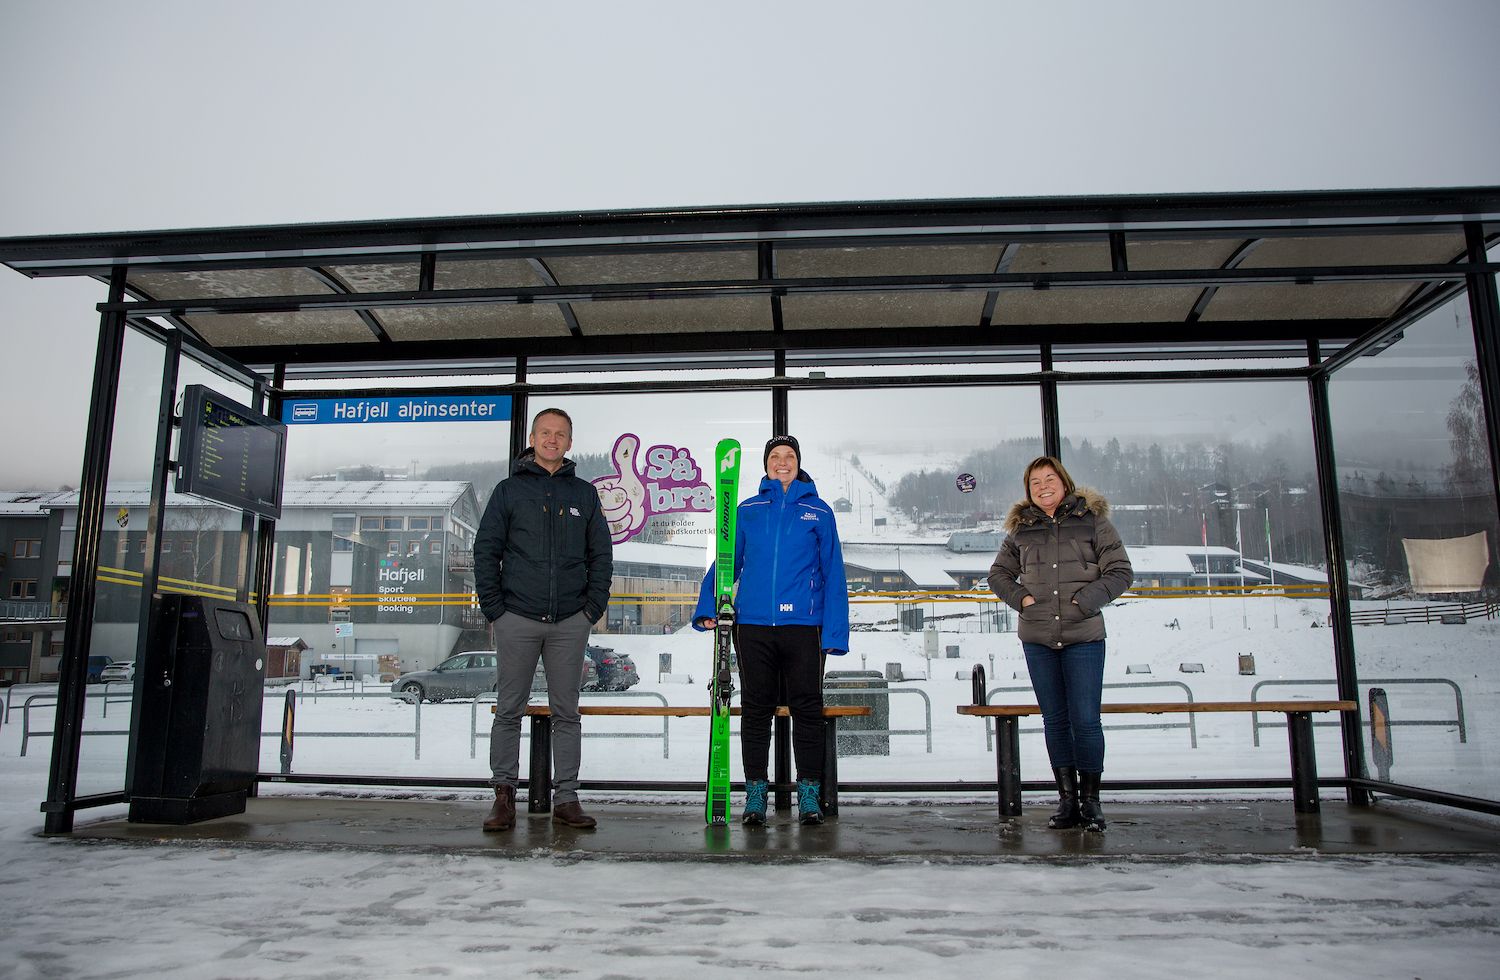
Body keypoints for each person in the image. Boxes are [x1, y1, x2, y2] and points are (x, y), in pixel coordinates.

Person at [693, 435, 849, 826]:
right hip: (754, 626)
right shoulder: (748, 510)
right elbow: (727, 562)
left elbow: (834, 574)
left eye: (789, 456)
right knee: (756, 710)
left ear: (799, 462)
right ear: (765, 465)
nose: (782, 462)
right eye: (775, 456)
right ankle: (756, 795)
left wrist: (835, 634)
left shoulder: (819, 512)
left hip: (803, 626)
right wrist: (707, 606)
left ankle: (808, 795)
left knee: (807, 708)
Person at [474, 408, 613, 831]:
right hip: (516, 617)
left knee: (566, 713)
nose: (553, 439)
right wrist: (495, 609)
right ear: (533, 438)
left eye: (561, 434)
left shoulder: (584, 495)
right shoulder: (508, 491)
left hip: (570, 621)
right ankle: (503, 798)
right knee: (508, 710)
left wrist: (590, 609)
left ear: (570, 442)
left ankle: (566, 798)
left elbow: (601, 555)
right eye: (545, 432)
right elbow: (486, 551)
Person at [987, 456, 1133, 832]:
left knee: (1085, 720)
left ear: (1064, 482)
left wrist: (1084, 602)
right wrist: (1023, 600)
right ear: (1028, 491)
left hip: (1084, 638)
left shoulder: (1094, 522)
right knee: (1054, 720)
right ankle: (1067, 800)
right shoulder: (1021, 530)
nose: (1043, 487)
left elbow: (1120, 572)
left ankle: (1091, 802)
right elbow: (998, 574)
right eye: (1035, 483)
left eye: (1049, 479)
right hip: (1038, 639)